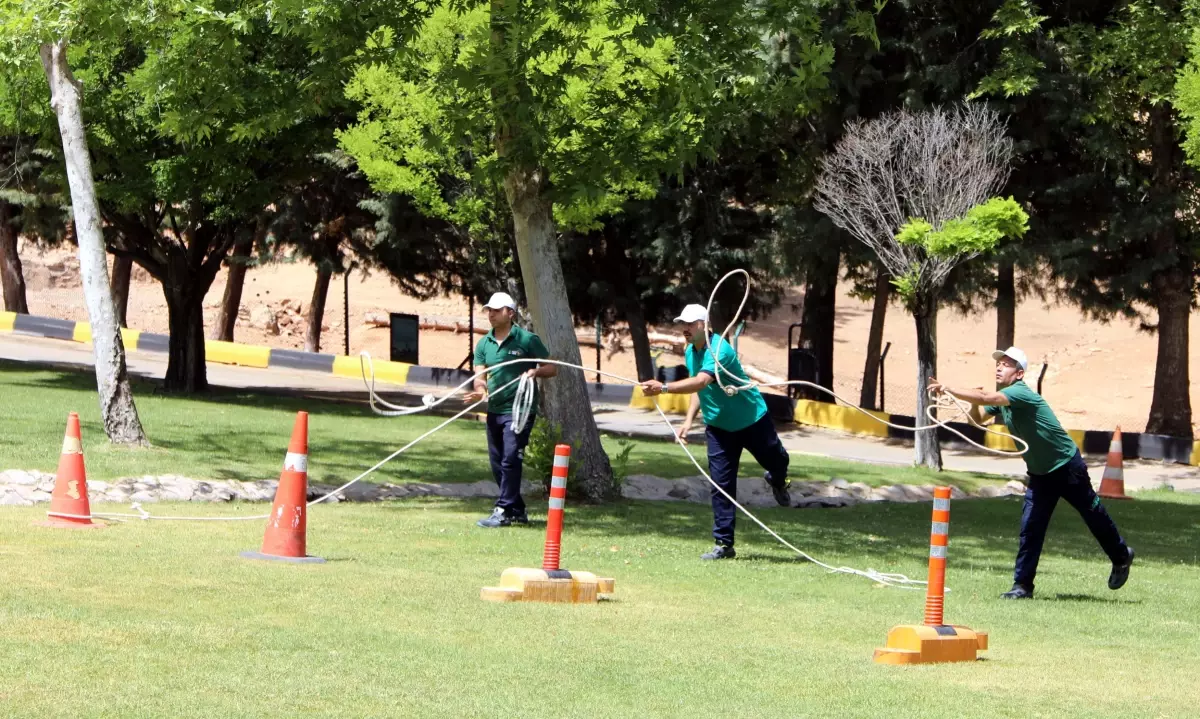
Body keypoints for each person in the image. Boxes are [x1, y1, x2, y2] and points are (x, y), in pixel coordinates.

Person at [929, 346, 1134, 599]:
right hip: (1040, 474)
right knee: (1031, 527)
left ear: (1019, 373)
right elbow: (978, 419)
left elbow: (987, 400)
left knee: (1093, 516)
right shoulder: (1004, 398)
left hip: (1067, 467)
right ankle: (1022, 586)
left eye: (1006, 363)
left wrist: (951, 388)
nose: (999, 366)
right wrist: (971, 401)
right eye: (999, 363)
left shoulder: (1019, 393)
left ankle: (1122, 556)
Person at [640, 304, 791, 560]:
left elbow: (701, 381)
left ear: (704, 324)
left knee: (778, 459)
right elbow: (700, 391)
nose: (684, 329)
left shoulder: (720, 349)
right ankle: (724, 544)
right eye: (682, 324)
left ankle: (777, 479)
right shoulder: (690, 351)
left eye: (690, 323)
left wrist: (663, 388)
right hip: (719, 428)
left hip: (752, 419)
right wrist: (689, 421)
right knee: (721, 485)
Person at [464, 292, 557, 528]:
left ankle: (503, 509)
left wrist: (535, 371)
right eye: (489, 310)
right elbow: (480, 375)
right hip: (495, 409)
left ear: (510, 313)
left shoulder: (527, 340)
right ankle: (517, 509)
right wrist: (479, 389)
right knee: (497, 461)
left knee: (509, 459)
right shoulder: (484, 343)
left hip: (520, 410)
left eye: (496, 309)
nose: (491, 314)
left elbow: (552, 367)